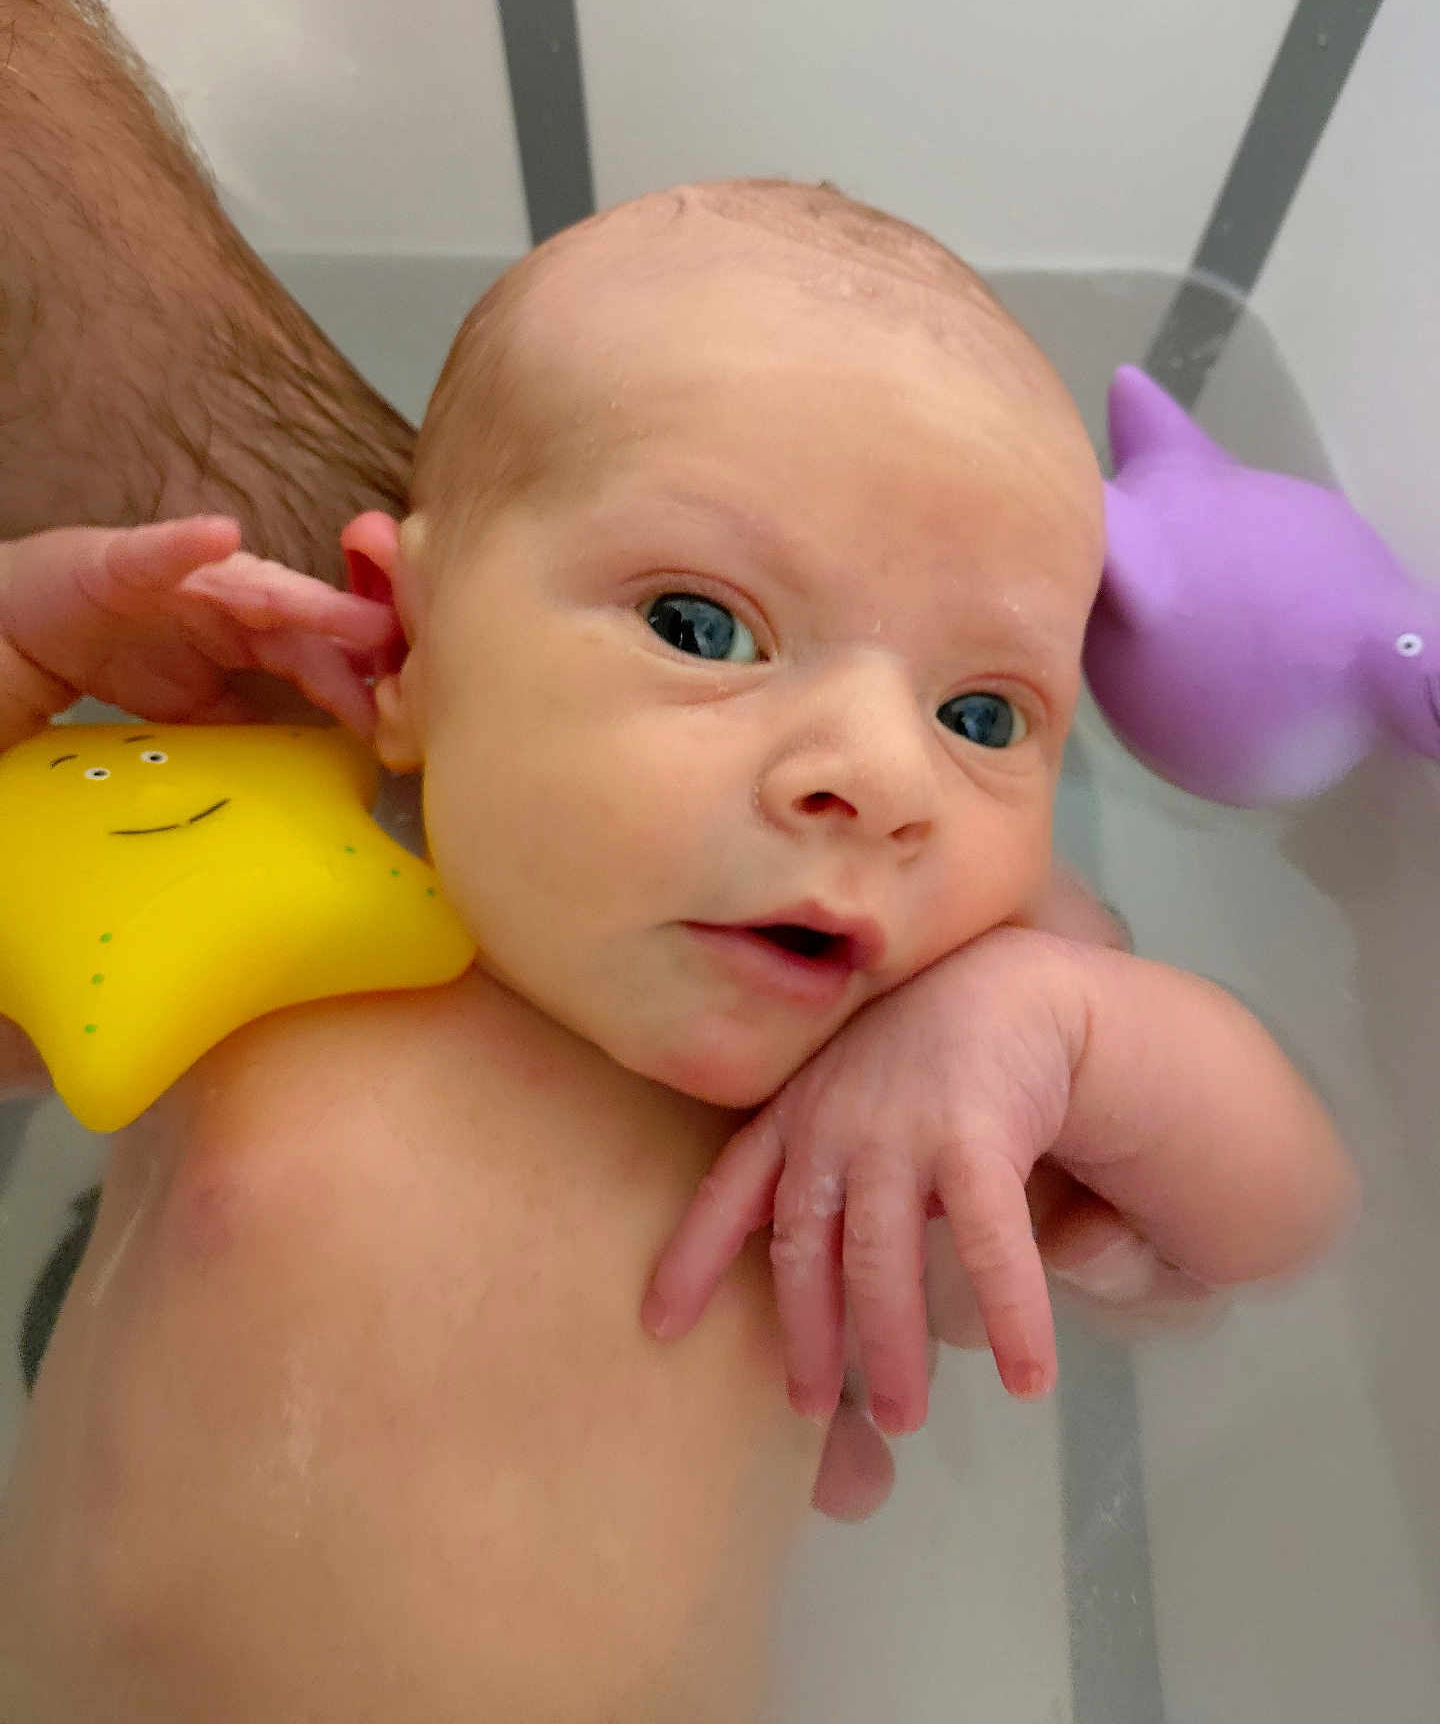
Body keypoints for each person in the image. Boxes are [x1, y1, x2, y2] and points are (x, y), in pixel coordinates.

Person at [0, 170, 1353, 1722]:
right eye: (703, 627)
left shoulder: (880, 1090)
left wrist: (1064, 1030)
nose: (882, 778)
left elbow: (1274, 1225)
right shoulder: (245, 879)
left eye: (982, 715)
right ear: (404, 643)